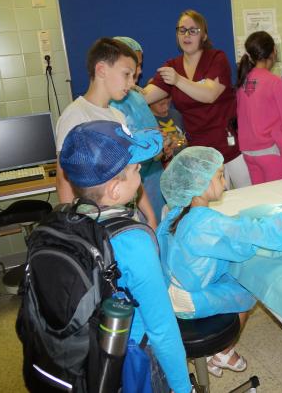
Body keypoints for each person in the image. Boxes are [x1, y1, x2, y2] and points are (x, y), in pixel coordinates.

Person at [59, 120, 191, 393]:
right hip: (134, 361)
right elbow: (162, 331)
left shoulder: (67, 222)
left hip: (87, 358)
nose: (141, 168)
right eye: (134, 168)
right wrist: (182, 388)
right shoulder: (134, 242)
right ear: (115, 190)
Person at [156, 146, 282, 377]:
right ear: (200, 182)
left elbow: (225, 237)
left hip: (169, 290)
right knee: (248, 289)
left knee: (233, 272)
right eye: (219, 176)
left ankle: (215, 354)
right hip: (188, 301)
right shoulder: (205, 222)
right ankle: (222, 352)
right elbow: (256, 234)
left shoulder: (176, 212)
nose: (225, 183)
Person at [54, 37, 158, 228]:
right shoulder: (76, 115)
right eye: (126, 74)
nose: (132, 82)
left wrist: (150, 216)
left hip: (124, 217)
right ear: (101, 69)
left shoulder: (117, 115)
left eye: (133, 76)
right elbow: (63, 179)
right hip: (96, 223)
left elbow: (130, 169)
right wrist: (74, 230)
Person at [142, 9, 251, 189]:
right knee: (212, 207)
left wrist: (178, 80)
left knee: (246, 199)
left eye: (193, 30)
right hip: (199, 152)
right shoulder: (172, 65)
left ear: (204, 35)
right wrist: (126, 89)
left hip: (229, 147)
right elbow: (146, 97)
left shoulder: (217, 58)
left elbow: (209, 94)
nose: (187, 35)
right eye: (182, 30)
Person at [109, 36, 167, 219]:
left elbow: (147, 131)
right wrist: (154, 151)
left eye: (140, 65)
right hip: (131, 185)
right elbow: (123, 153)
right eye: (134, 66)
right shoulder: (112, 103)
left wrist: (163, 143)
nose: (139, 71)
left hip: (155, 179)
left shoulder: (136, 96)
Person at [235, 31, 282, 184]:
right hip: (270, 151)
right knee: (277, 202)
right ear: (274, 52)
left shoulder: (242, 81)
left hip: (248, 153)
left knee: (262, 202)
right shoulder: (276, 82)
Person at [149, 95, 187, 168]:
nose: (166, 107)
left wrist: (178, 142)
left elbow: (184, 141)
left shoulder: (175, 114)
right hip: (163, 167)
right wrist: (167, 148)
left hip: (183, 161)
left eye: (168, 103)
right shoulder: (148, 121)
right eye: (162, 104)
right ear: (150, 102)